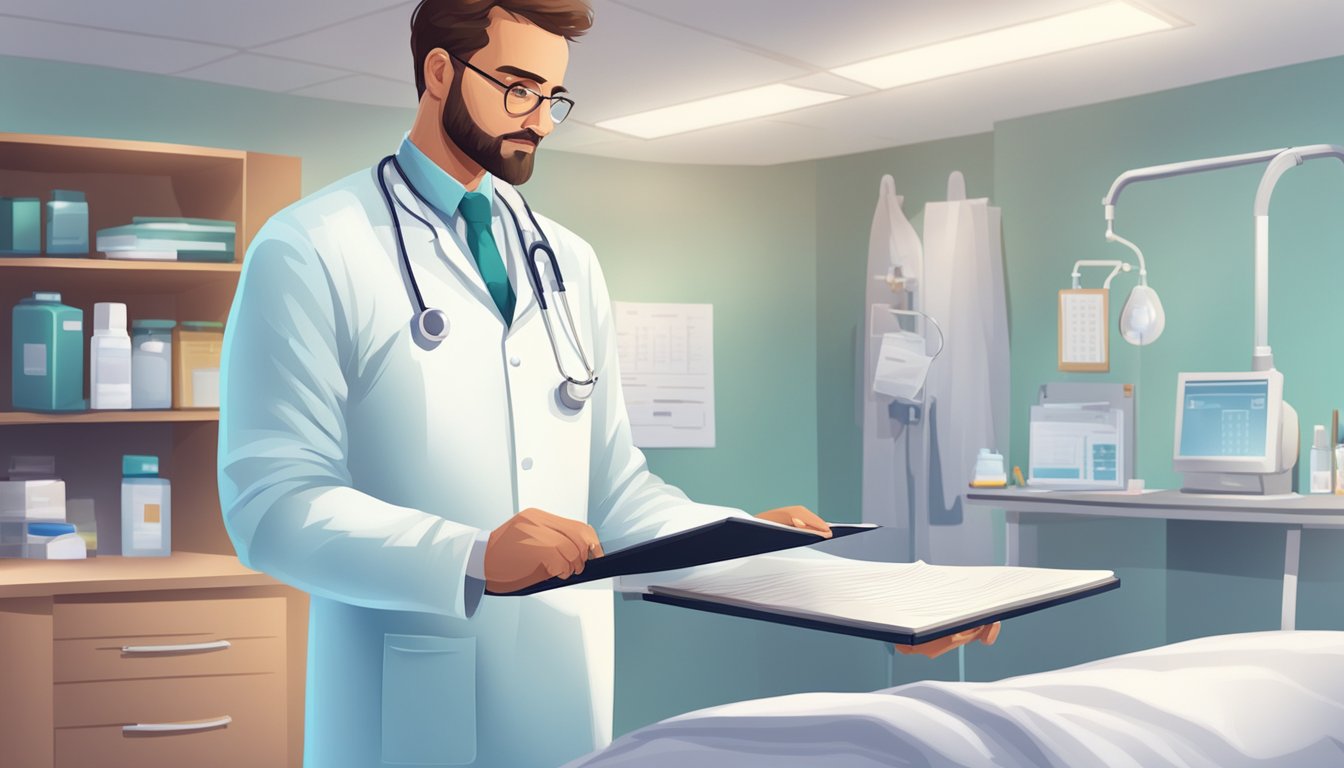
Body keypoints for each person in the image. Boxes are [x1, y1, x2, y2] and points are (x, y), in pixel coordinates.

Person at [218, 2, 995, 766]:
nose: (541, 120)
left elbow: (618, 497)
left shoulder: (566, 261)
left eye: (553, 97)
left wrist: (784, 559)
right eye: (518, 89)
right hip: (404, 711)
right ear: (439, 72)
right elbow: (273, 503)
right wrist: (470, 555)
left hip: (564, 702)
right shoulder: (312, 248)